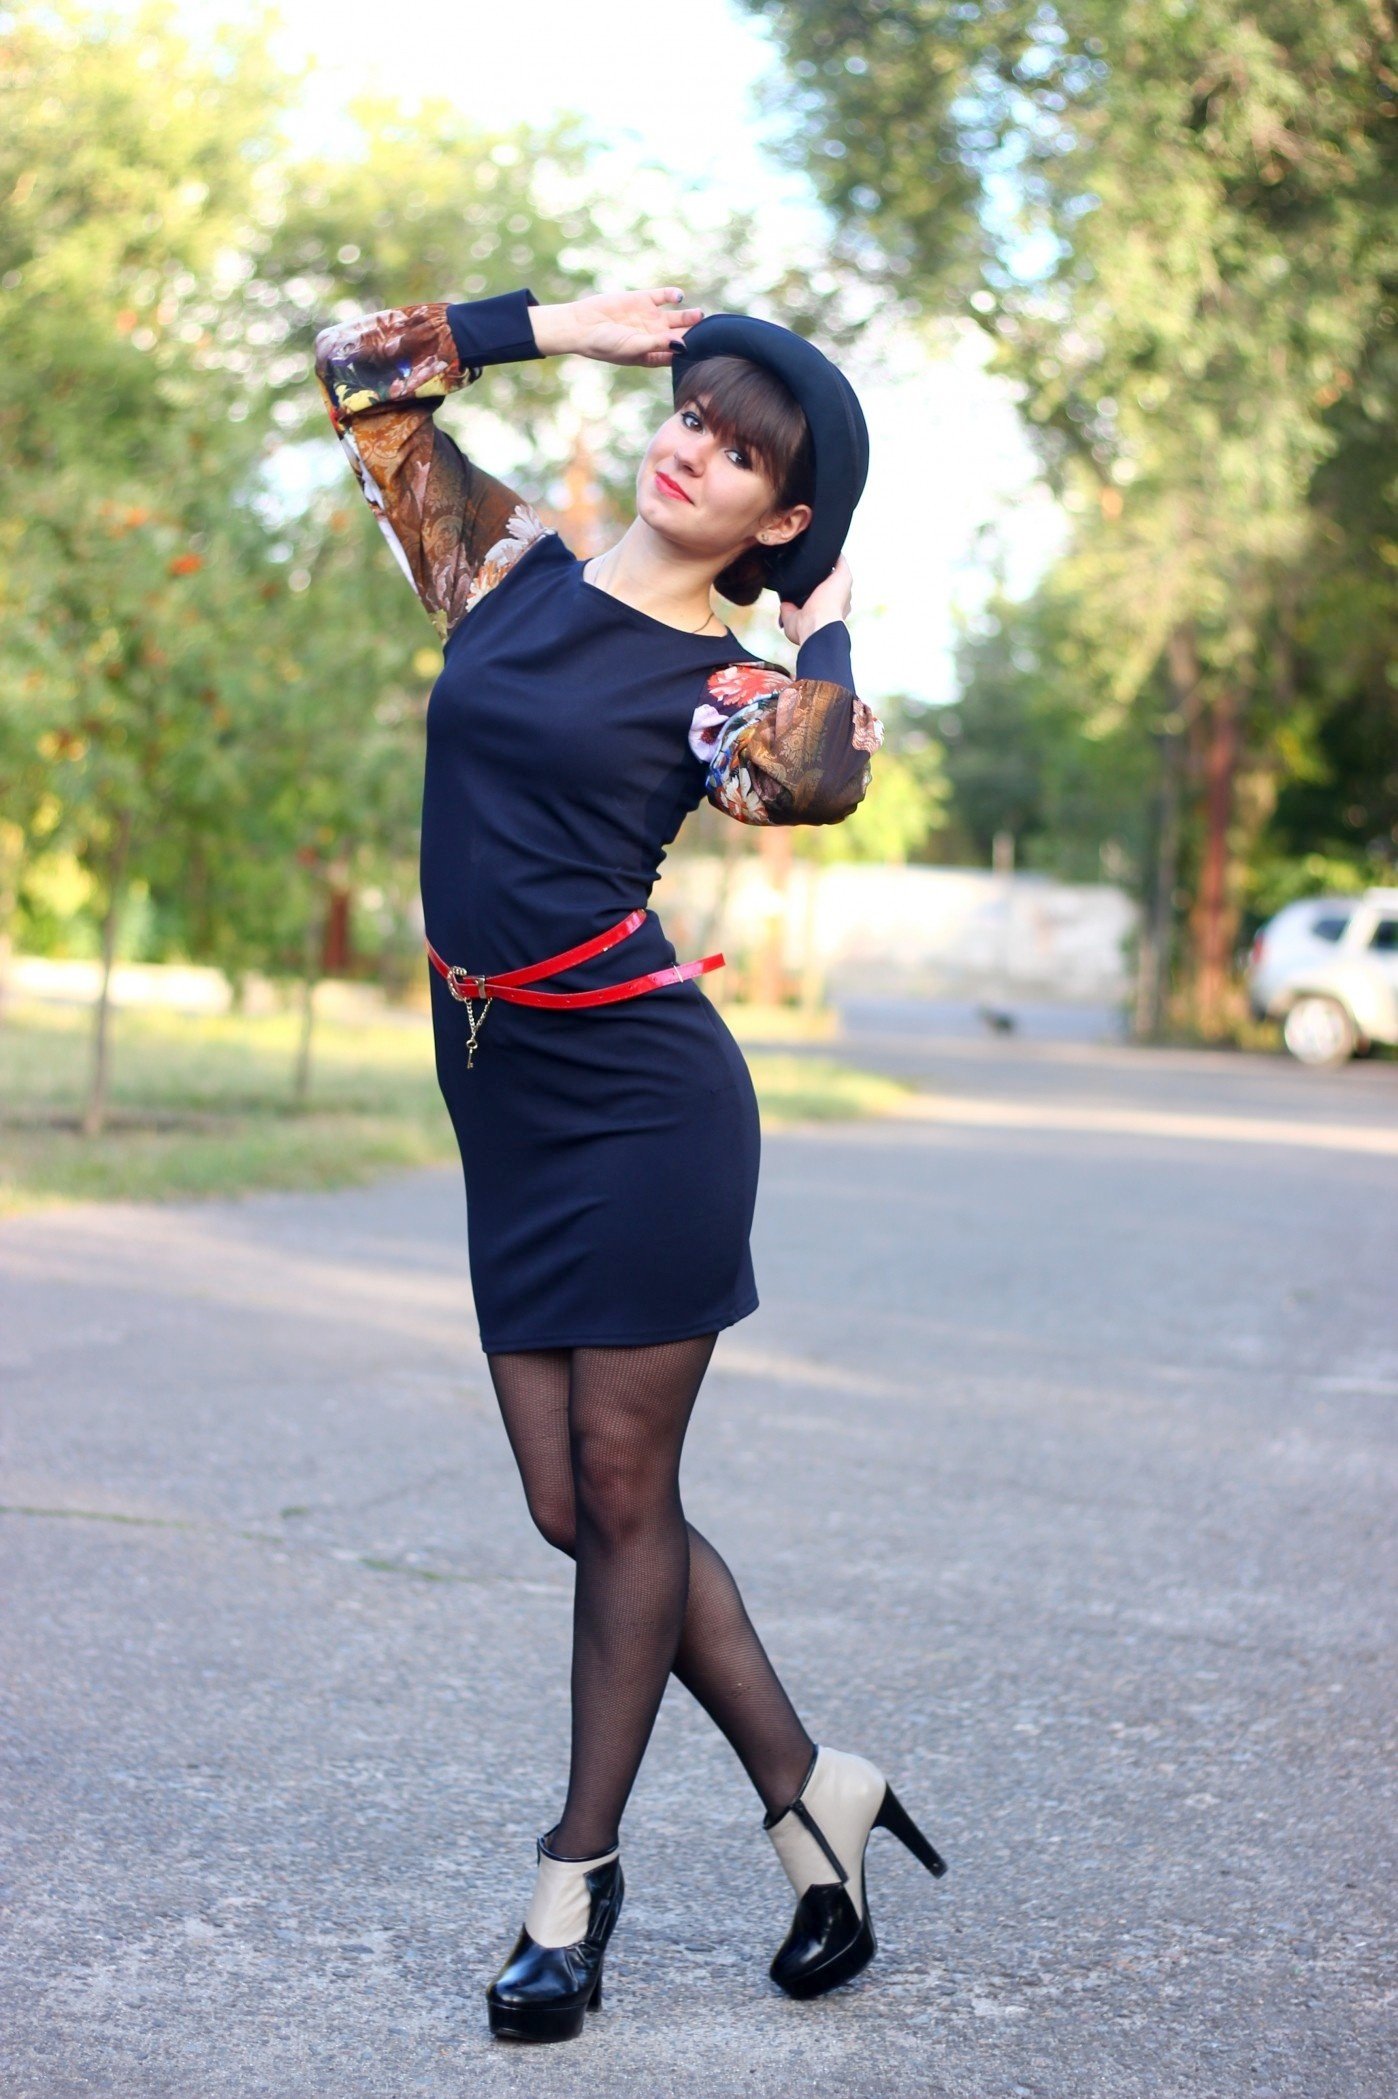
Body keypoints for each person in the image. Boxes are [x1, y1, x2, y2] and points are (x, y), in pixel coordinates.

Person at [312, 283, 946, 2043]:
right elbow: (360, 374)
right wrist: (553, 327)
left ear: (777, 519)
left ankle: (571, 1884)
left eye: (741, 457)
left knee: (618, 1487)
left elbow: (812, 780)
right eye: (693, 417)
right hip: (504, 1094)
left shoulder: (723, 686)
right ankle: (814, 1794)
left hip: (646, 1105)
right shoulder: (503, 568)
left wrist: (826, 624)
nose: (693, 453)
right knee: (576, 1509)